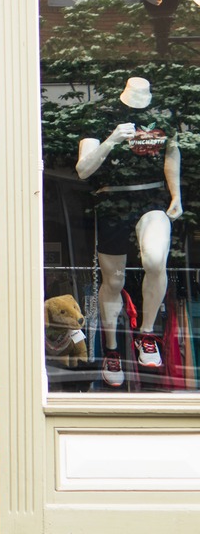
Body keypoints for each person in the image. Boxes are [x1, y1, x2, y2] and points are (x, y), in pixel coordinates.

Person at [75, 76, 182, 386]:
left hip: (151, 199)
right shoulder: (102, 115)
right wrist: (111, 140)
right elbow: (83, 170)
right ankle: (111, 350)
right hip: (112, 200)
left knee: (154, 260)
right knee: (114, 280)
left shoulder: (164, 114)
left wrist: (176, 195)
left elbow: (171, 154)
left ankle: (146, 334)